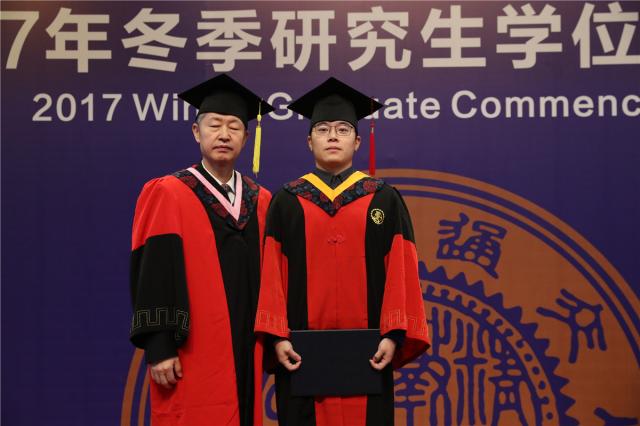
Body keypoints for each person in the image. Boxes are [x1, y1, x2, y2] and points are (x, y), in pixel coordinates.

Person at [254, 77, 430, 426]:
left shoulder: (383, 199)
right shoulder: (287, 202)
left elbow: (401, 271)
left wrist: (393, 335)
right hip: (300, 355)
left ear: (357, 141)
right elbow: (271, 275)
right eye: (322, 129)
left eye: (342, 129)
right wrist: (277, 337)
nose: (332, 136)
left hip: (369, 354)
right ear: (309, 141)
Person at [129, 73, 273, 426]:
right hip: (191, 346)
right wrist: (159, 345)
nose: (224, 135)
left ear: (246, 138)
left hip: (246, 344)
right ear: (197, 132)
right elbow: (152, 273)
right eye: (214, 125)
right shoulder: (170, 192)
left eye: (234, 127)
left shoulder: (261, 200)